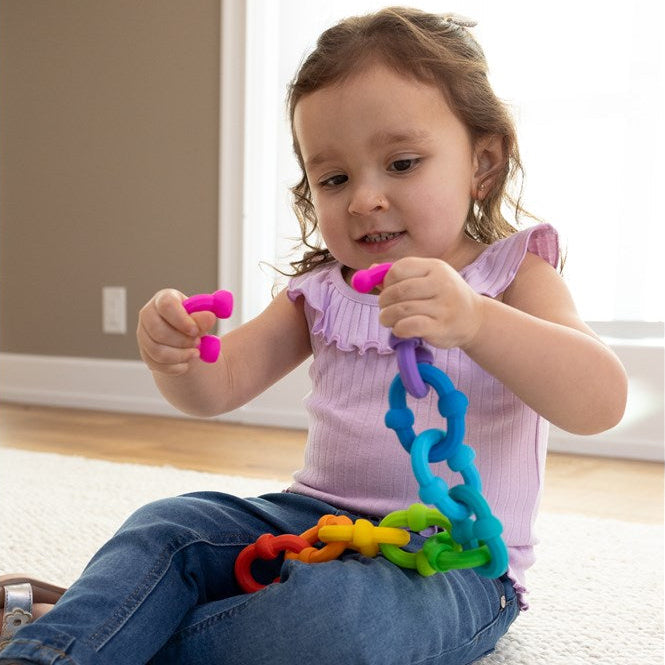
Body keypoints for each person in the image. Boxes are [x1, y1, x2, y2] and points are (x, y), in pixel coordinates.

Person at [0, 8, 627, 665]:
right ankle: (57, 649)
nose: (362, 198)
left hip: (454, 563)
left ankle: (86, 632)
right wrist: (180, 358)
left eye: (402, 162)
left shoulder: (512, 275)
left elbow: (598, 402)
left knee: (336, 625)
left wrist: (476, 319)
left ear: (483, 163)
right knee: (168, 526)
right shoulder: (323, 291)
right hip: (309, 523)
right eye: (333, 178)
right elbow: (219, 387)